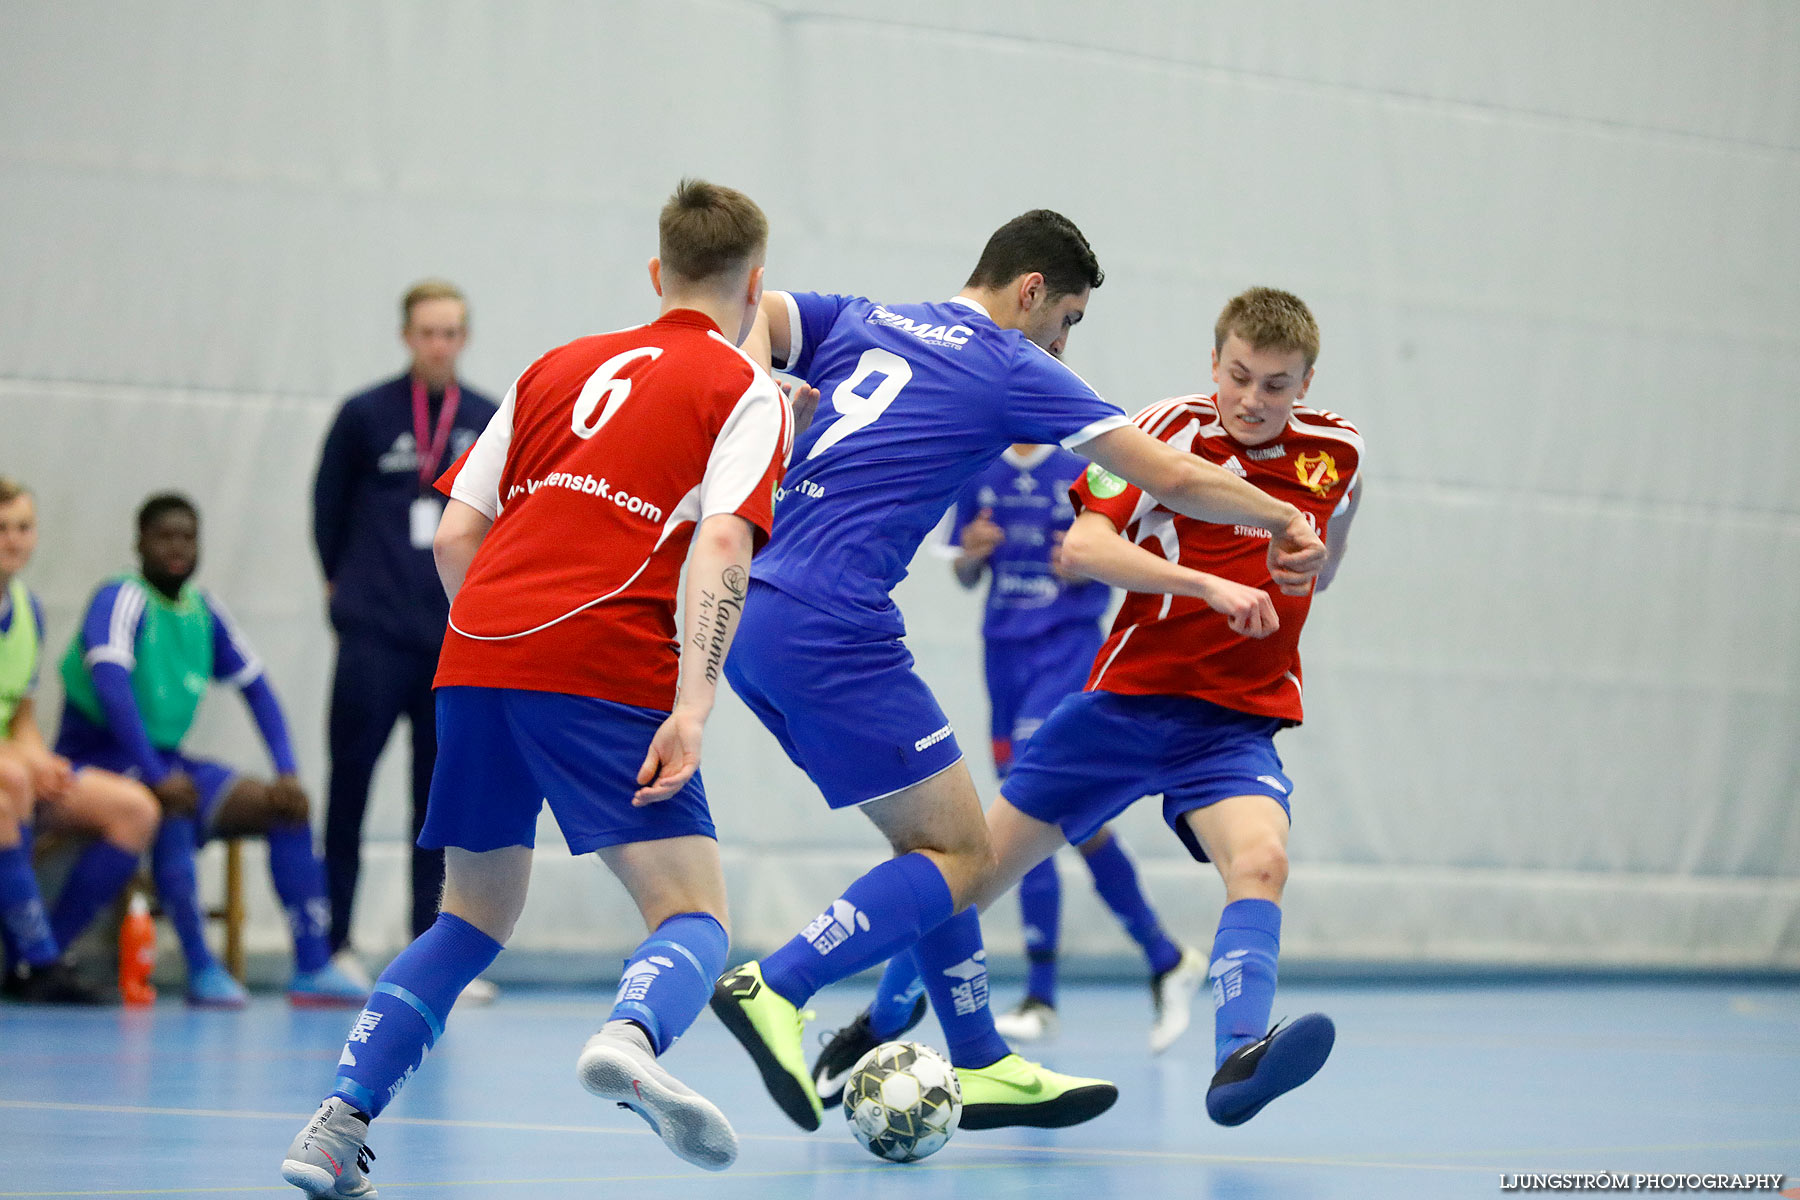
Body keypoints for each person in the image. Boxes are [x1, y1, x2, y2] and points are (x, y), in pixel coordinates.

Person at [708, 211, 1326, 1136]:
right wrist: (1279, 519)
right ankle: (779, 984)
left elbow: (757, 310)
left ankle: (982, 1063)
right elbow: (1176, 479)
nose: (1065, 340)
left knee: (946, 844)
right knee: (960, 858)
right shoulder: (1011, 362)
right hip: (837, 623)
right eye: (1069, 318)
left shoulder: (864, 315)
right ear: (1032, 292)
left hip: (747, 608)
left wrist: (759, 394)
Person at [280, 178, 791, 1195]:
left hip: (474, 652)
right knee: (692, 912)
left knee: (469, 916)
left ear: (658, 273)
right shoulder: (747, 391)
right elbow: (723, 542)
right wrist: (690, 707)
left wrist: (502, 637)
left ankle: (335, 1127)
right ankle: (631, 1035)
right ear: (755, 286)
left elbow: (460, 533)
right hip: (598, 660)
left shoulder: (552, 366)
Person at [965, 286, 1361, 1127]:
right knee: (971, 878)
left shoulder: (1339, 453)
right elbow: (1085, 545)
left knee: (1262, 864)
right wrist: (1206, 585)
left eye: (1277, 385)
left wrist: (1312, 564)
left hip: (1232, 721)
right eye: (1239, 376)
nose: (1253, 400)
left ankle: (1236, 1064)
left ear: (1308, 382)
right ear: (1213, 363)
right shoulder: (1158, 433)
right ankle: (878, 1020)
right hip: (1126, 704)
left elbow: (1324, 566)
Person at [57, 493, 363, 1008]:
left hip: (163, 760)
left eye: (188, 537)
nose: (177, 547)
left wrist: (286, 770)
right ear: (140, 544)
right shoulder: (120, 598)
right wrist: (155, 775)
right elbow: (111, 689)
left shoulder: (203, 610)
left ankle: (313, 964)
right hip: (99, 755)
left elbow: (259, 688)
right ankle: (202, 967)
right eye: (164, 536)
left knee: (288, 809)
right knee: (172, 802)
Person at [947, 448, 1205, 1051]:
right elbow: (961, 567)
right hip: (1003, 655)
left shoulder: (1089, 468)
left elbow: (1128, 553)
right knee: (1071, 823)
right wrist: (971, 553)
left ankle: (1041, 996)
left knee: (1027, 805)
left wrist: (1090, 565)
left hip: (1066, 649)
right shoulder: (979, 464)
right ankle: (1164, 956)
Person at [313, 279, 498, 985]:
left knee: (437, 801)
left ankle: (429, 953)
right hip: (373, 639)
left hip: (447, 642)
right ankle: (333, 948)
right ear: (406, 336)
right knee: (351, 787)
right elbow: (326, 512)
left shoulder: (484, 418)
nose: (438, 345)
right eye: (427, 332)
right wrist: (344, 595)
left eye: (451, 332)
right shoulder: (364, 416)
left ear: (464, 337)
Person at [0, 478, 159, 1004]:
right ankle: (34, 962)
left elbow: (20, 715)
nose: (13, 540)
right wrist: (24, 761)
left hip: (11, 761)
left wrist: (41, 757)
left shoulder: (27, 608)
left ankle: (50, 948)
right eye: (1, 529)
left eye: (23, 527)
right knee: (12, 786)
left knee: (135, 810)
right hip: (6, 772)